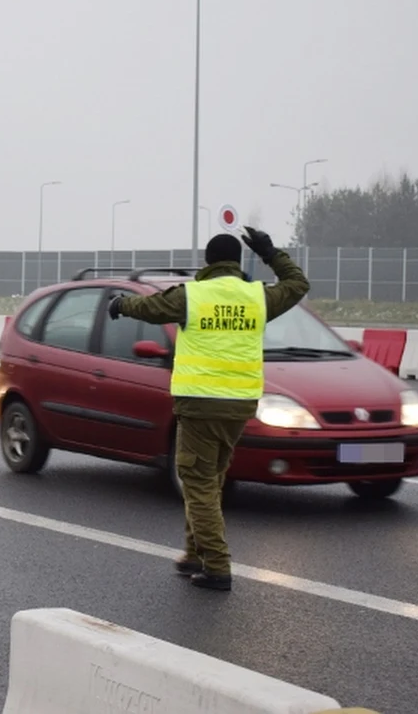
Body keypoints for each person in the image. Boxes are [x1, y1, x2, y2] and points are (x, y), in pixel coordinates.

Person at [107, 226, 309, 591]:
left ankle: (216, 565)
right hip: (239, 406)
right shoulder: (257, 297)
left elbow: (150, 307)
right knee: (209, 480)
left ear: (208, 262)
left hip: (200, 404)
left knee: (197, 481)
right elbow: (297, 284)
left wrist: (121, 304)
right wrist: (270, 252)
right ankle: (194, 554)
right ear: (237, 262)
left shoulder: (193, 296)